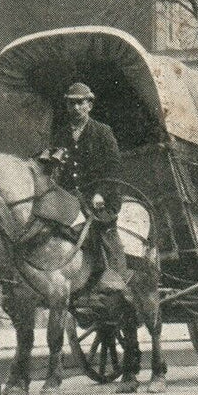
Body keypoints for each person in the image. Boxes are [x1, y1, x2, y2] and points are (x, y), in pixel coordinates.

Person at [49, 82, 128, 293]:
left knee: (103, 230)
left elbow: (113, 167)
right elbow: (56, 164)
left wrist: (101, 192)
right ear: (66, 107)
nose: (76, 108)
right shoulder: (61, 135)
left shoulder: (102, 132)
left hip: (101, 197)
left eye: (80, 103)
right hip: (70, 196)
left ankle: (116, 277)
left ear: (89, 105)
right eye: (71, 104)